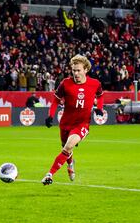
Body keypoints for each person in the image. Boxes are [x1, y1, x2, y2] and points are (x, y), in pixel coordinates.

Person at [41, 54, 104, 185]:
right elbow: (55, 101)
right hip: (65, 123)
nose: (76, 73)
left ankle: (49, 174)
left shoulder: (95, 83)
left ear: (85, 69)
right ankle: (70, 164)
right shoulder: (65, 83)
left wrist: (99, 107)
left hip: (82, 124)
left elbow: (100, 95)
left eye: (78, 70)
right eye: (74, 70)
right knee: (66, 148)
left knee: (68, 146)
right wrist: (50, 116)